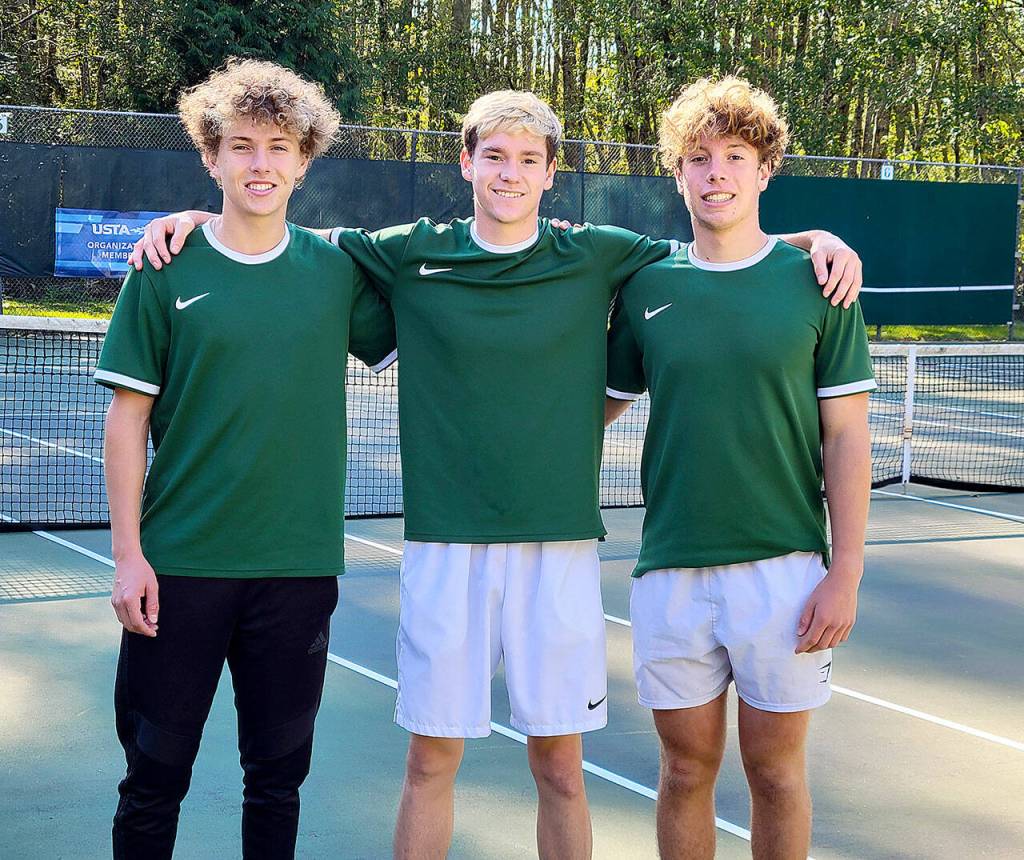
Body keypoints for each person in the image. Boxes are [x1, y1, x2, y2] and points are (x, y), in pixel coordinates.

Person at [129, 89, 861, 860]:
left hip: (561, 552)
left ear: (551, 175)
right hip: (446, 549)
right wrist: (195, 223)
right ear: (466, 163)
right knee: (430, 761)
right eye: (495, 157)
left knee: (561, 768)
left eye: (528, 161)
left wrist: (816, 238)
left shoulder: (604, 254)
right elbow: (276, 227)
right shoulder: (409, 248)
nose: (510, 174)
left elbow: (725, 248)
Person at [98, 59, 396, 859]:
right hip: (180, 572)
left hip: (296, 577)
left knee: (276, 782)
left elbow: (445, 308)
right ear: (212, 157)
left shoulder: (336, 274)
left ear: (305, 159)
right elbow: (126, 422)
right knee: (153, 783)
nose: (260, 163)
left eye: (278, 147)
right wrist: (129, 558)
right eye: (241, 146)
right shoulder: (163, 269)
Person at [604, 76, 875, 860]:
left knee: (776, 774)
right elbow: (591, 411)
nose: (716, 172)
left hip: (787, 576)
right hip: (671, 575)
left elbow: (847, 439)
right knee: (684, 769)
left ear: (764, 172)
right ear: (677, 173)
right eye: (698, 158)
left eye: (735, 156)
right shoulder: (648, 283)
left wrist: (845, 570)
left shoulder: (821, 283)